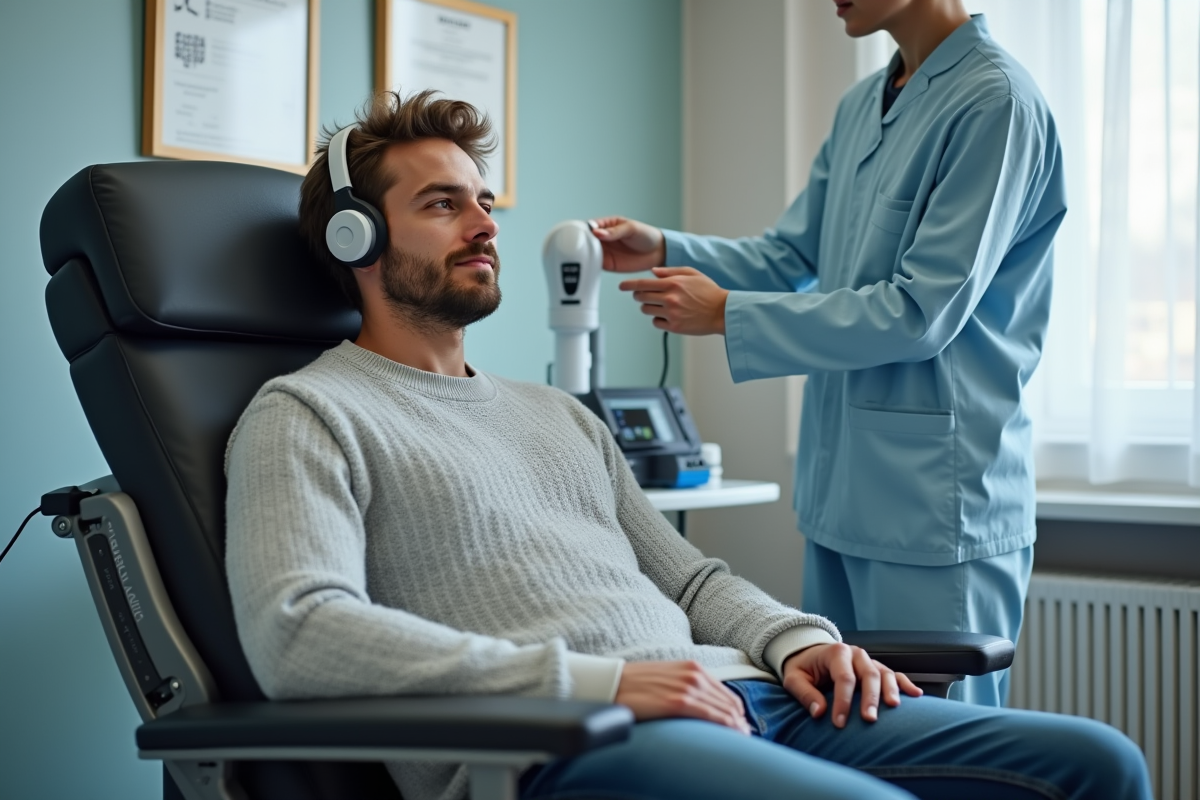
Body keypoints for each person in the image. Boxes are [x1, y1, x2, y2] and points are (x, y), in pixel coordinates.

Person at [223, 90, 1146, 800]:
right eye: (442, 205)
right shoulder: (308, 413)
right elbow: (297, 635)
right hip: (565, 737)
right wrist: (601, 682)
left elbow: (691, 582)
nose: (485, 226)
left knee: (1096, 764)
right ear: (359, 237)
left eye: (483, 201)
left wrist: (792, 643)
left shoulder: (557, 414)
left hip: (747, 695)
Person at [591, 0, 1064, 707]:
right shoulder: (862, 105)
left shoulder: (996, 102)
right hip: (841, 495)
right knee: (850, 736)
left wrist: (727, 314)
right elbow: (793, 254)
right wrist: (665, 248)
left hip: (937, 504)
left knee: (947, 753)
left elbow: (919, 313)